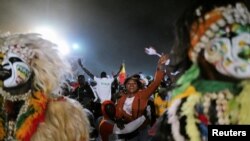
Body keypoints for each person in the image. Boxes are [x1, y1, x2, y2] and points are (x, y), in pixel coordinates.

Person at [153, 0, 250, 140]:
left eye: (246, 31)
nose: (245, 46)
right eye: (229, 35)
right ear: (202, 54)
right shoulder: (184, 115)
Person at [0, 33, 89, 141]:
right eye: (2, 58)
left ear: (33, 65)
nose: (3, 64)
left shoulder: (63, 113)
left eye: (13, 60)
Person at [115, 53, 169, 140]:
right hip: (129, 132)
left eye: (134, 83)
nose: (131, 85)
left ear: (138, 85)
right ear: (125, 86)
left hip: (143, 130)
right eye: (129, 83)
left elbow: (156, 83)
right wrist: (118, 120)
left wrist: (160, 65)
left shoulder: (143, 95)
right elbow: (118, 113)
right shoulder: (121, 98)